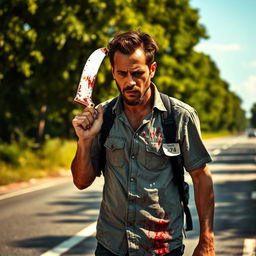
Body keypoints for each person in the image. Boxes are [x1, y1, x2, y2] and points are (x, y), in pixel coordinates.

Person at [71, 31, 215, 256]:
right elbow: (81, 182)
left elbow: (201, 177)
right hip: (111, 246)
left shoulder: (178, 116)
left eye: (137, 73)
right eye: (122, 73)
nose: (130, 82)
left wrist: (207, 241)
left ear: (152, 70)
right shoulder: (103, 117)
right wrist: (85, 141)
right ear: (113, 73)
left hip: (161, 246)